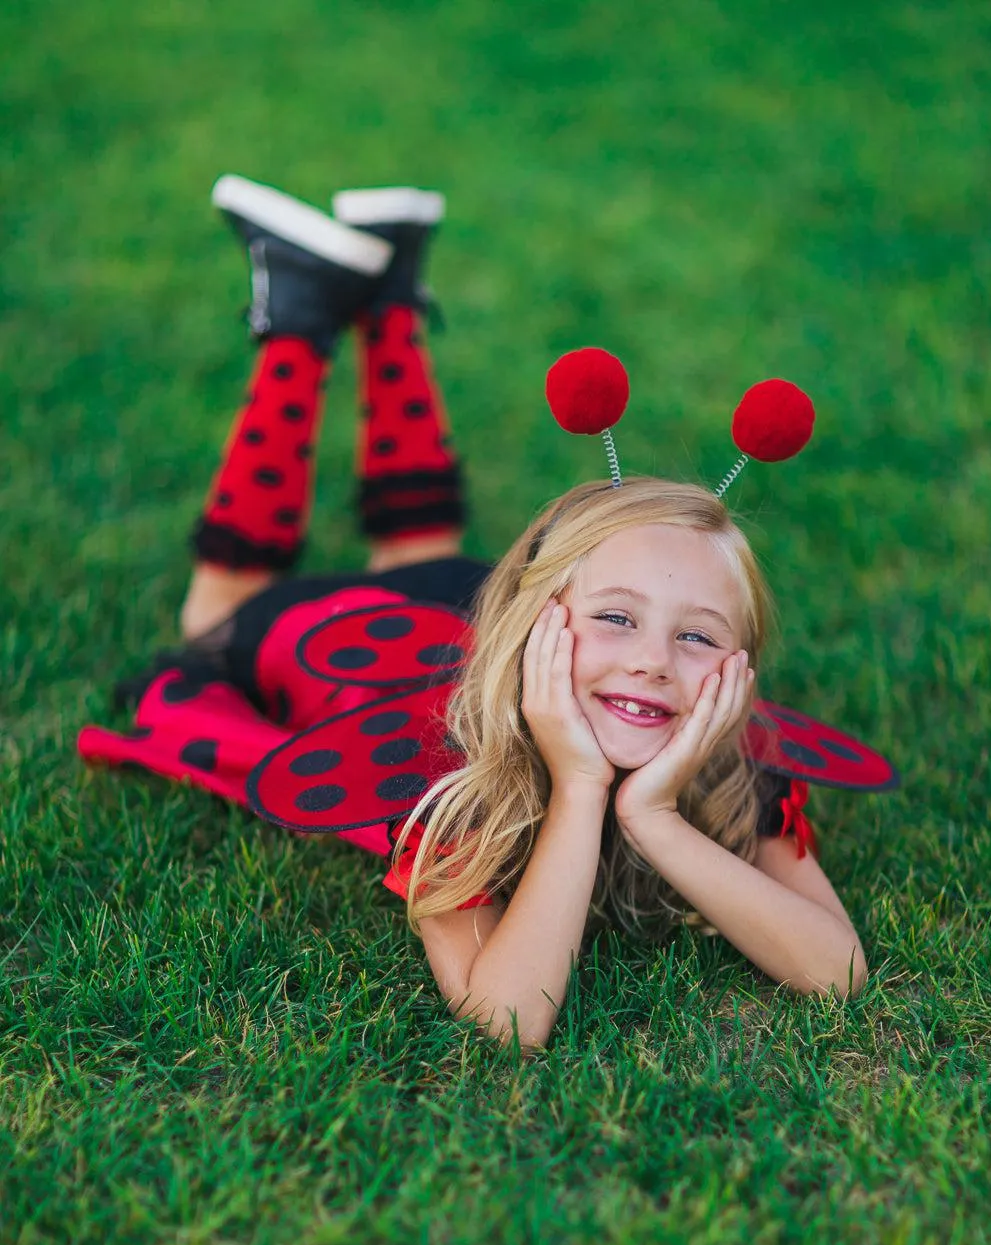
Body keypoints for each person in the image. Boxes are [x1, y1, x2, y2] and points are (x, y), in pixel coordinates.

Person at [80, 174, 873, 1051]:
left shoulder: (734, 767)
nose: (653, 660)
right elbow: (506, 1017)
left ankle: (381, 301)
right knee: (220, 611)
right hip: (339, 640)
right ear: (539, 619)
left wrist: (655, 815)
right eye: (617, 618)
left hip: (451, 594)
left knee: (423, 549)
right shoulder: (445, 781)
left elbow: (836, 971)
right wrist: (579, 789)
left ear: (740, 666)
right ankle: (301, 322)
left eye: (696, 635)